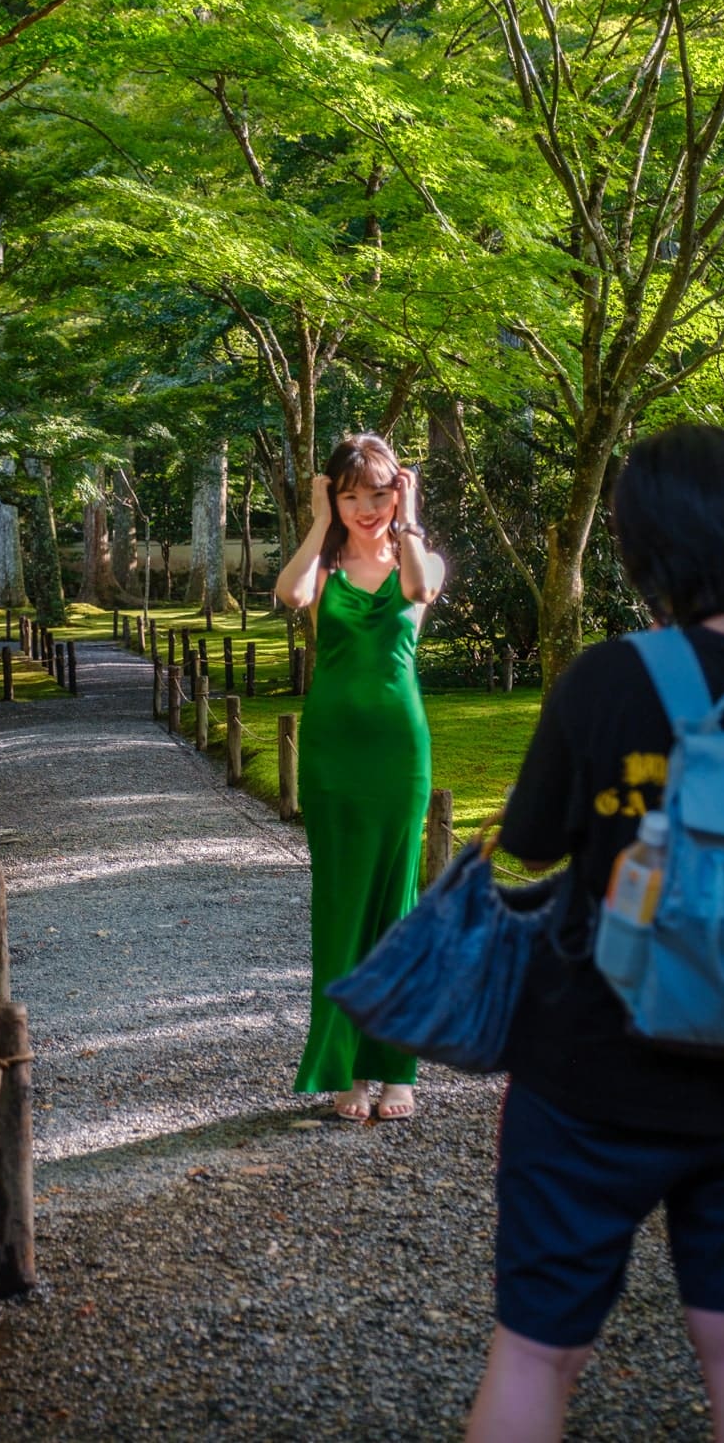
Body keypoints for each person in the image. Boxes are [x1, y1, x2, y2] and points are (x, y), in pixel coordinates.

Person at [469, 423, 724, 1443]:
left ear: (643, 545)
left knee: (537, 1351)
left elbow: (531, 848)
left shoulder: (609, 679)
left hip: (590, 1077)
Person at [276, 433, 446, 1122]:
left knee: (396, 909)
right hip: (331, 755)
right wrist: (318, 520)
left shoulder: (420, 558)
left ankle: (396, 1070)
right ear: (334, 497)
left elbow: (419, 587)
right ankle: (347, 1069)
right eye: (352, 496)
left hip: (398, 754)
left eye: (379, 493)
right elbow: (290, 594)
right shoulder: (324, 569)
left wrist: (406, 522)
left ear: (398, 493)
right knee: (341, 908)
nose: (366, 507)